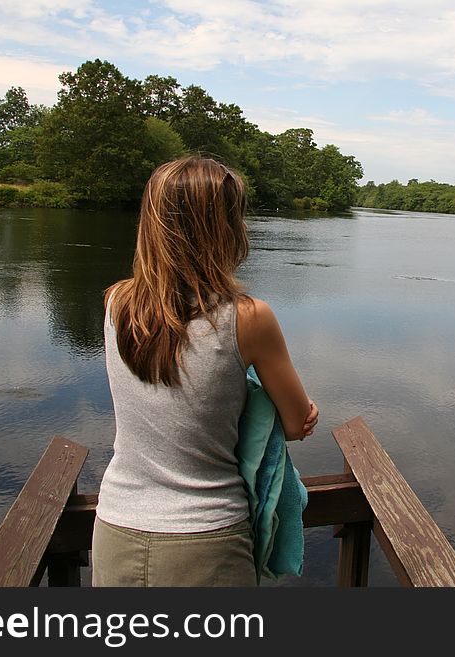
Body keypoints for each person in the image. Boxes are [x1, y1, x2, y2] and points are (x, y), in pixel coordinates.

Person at [92, 156, 318, 587]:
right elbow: (295, 423)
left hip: (115, 527)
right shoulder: (249, 318)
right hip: (208, 539)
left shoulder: (117, 303)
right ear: (224, 230)